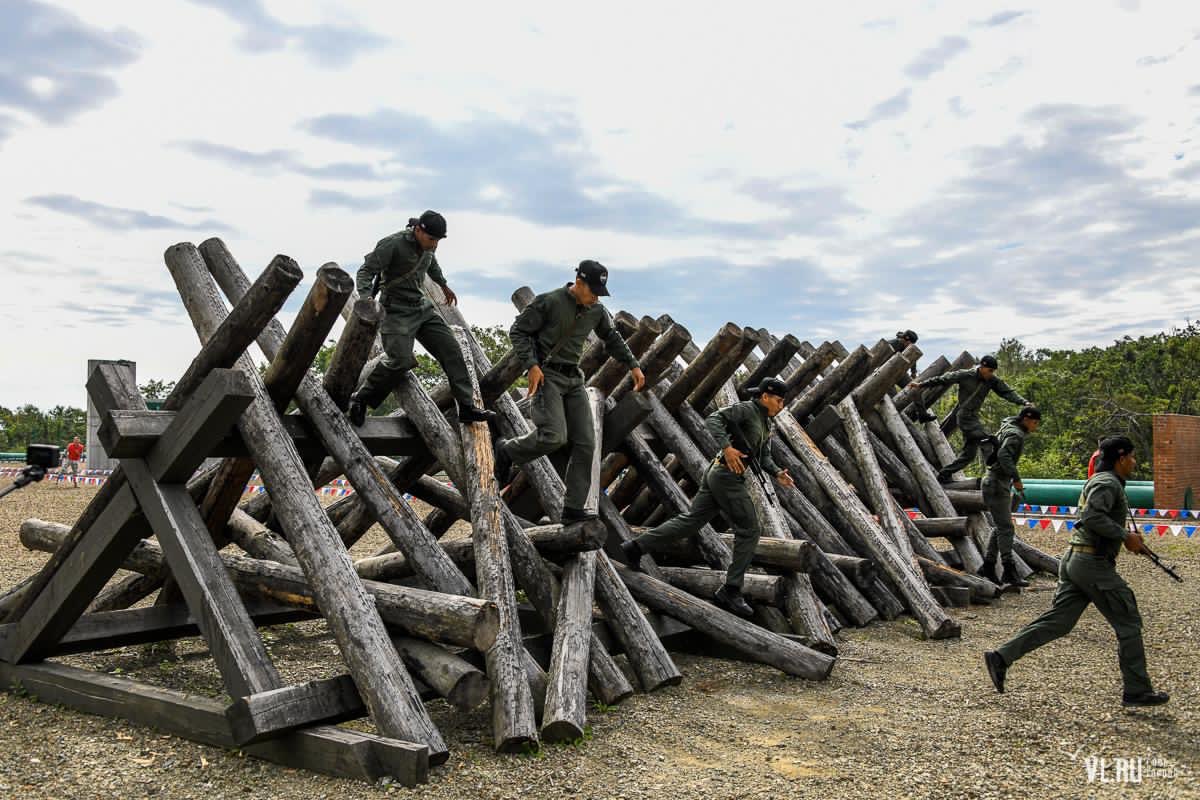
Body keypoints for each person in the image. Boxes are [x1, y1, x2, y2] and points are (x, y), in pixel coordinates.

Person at [984, 436, 1168, 708]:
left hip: (1078, 560)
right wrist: (1124, 535)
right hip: (1091, 564)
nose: (1134, 462)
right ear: (1120, 458)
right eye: (1131, 456)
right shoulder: (1107, 483)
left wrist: (1128, 541)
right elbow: (1093, 517)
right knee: (1128, 622)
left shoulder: (1102, 481)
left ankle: (1001, 657)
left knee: (1059, 621)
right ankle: (1137, 690)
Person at [620, 378, 796, 617]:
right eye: (779, 400)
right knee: (750, 530)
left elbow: (762, 457)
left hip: (720, 474)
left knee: (691, 521)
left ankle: (635, 547)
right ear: (765, 396)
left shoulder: (765, 422)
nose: (782, 405)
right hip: (725, 476)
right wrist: (726, 447)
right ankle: (731, 589)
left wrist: (777, 473)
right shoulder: (746, 409)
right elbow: (714, 419)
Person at [494, 260, 645, 522]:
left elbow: (611, 338)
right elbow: (518, 331)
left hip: (574, 379)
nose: (596, 297)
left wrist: (633, 365)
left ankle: (573, 508)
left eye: (600, 292)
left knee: (587, 443)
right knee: (554, 437)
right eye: (593, 291)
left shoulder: (596, 310)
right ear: (579, 283)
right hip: (547, 375)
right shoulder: (549, 301)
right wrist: (531, 365)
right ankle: (507, 451)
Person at [349, 211, 495, 426]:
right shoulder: (392, 244)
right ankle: (362, 399)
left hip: (421, 309)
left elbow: (432, 264)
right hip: (395, 311)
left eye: (438, 240)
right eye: (432, 239)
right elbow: (365, 271)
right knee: (400, 360)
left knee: (452, 351)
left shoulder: (428, 247)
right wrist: (366, 297)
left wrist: (443, 284)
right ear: (418, 230)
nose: (435, 244)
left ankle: (466, 407)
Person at [909, 354, 1029, 481]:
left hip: (973, 417)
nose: (991, 374)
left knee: (969, 456)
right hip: (964, 416)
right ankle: (992, 459)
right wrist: (921, 384)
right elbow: (942, 379)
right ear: (982, 367)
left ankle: (944, 474)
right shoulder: (965, 375)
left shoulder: (992, 380)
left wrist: (1024, 402)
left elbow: (1007, 392)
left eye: (993, 372)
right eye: (990, 371)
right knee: (988, 439)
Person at [979, 406, 1041, 586]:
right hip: (998, 483)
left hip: (995, 481)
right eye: (1035, 423)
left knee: (1000, 527)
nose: (1035, 427)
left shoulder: (1008, 425)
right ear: (1026, 420)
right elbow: (1004, 455)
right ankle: (1009, 570)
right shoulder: (1016, 435)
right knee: (1006, 528)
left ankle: (988, 566)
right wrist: (1016, 478)